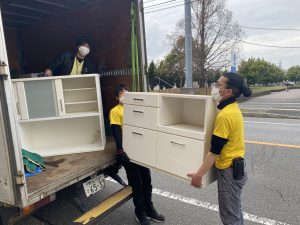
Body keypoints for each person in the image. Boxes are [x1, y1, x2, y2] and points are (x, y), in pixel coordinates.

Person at [187, 72, 252, 225]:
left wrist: (199, 174)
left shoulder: (225, 115)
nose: (214, 87)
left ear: (228, 92)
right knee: (235, 213)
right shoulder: (232, 108)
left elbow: (215, 151)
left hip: (229, 172)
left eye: (218, 85)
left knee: (230, 218)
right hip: (237, 168)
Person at [109, 85, 165, 225]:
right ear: (117, 97)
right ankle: (140, 213)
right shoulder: (115, 111)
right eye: (121, 94)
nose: (124, 95)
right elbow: (116, 132)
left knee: (147, 181)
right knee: (137, 184)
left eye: (127, 93)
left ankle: (150, 210)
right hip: (128, 153)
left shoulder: (135, 109)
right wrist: (121, 151)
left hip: (141, 152)